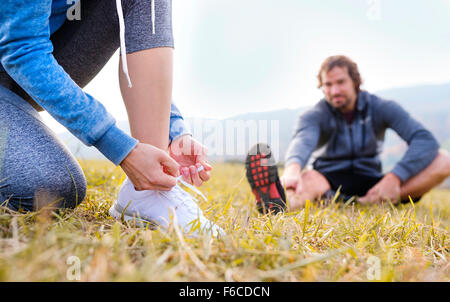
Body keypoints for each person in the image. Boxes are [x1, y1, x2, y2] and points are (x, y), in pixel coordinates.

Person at [0, 0, 223, 236]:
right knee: (49, 187)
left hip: (23, 70)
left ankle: (148, 195)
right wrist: (121, 148)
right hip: (20, 53)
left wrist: (173, 129)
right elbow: (21, 48)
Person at [246, 55, 450, 213]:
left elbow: (424, 140)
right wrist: (292, 170)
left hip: (373, 181)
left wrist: (395, 177)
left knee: (444, 160)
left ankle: (374, 200)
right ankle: (276, 205)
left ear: (355, 81)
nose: (334, 90)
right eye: (328, 85)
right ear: (322, 87)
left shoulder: (382, 107)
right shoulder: (314, 115)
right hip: (327, 179)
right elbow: (303, 140)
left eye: (340, 82)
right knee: (304, 181)